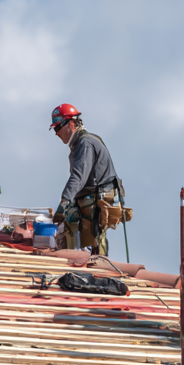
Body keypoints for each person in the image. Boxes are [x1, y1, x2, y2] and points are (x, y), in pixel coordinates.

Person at [50, 103, 124, 255]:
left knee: (89, 234)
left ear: (70, 124)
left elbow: (78, 176)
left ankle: (98, 263)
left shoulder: (85, 143)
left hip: (98, 196)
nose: (56, 133)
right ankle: (82, 258)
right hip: (91, 194)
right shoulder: (79, 145)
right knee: (71, 223)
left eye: (58, 128)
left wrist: (64, 202)